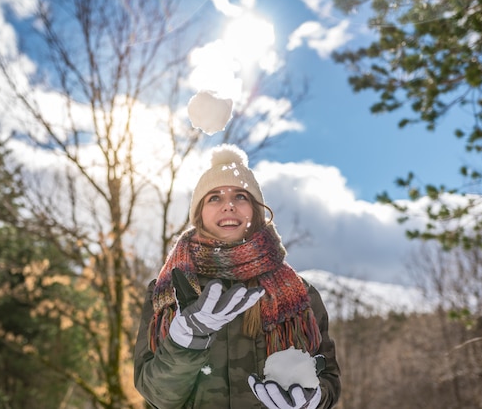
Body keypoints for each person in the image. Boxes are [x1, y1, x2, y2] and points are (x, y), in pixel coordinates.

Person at [134, 144, 341, 408]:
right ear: (199, 214)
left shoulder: (300, 293)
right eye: (215, 197)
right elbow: (157, 396)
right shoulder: (166, 292)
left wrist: (312, 400)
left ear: (255, 209)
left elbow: (329, 379)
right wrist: (185, 341)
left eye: (241, 196)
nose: (229, 206)